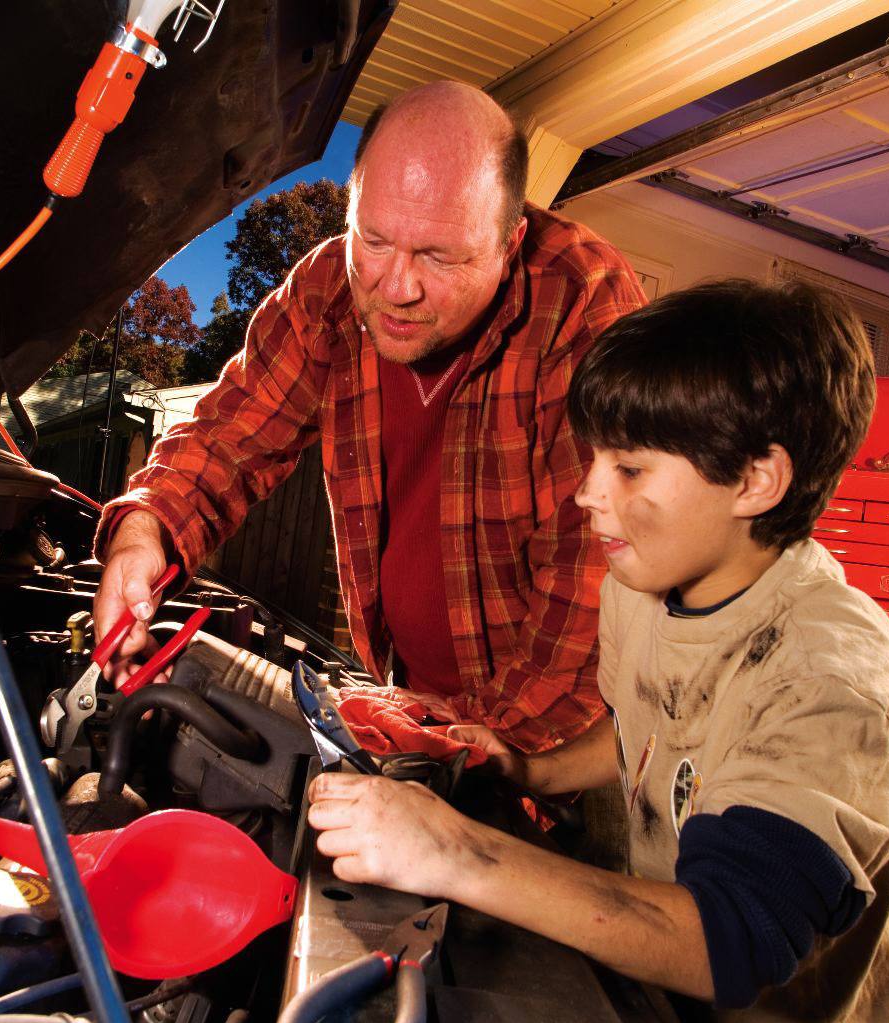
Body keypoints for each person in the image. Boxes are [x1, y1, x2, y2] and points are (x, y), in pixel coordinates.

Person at [307, 279, 889, 1023]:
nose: (586, 494)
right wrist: (530, 771)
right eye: (594, 458)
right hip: (669, 1016)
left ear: (755, 480)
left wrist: (458, 851)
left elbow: (733, 936)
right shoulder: (647, 589)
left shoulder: (826, 674)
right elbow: (649, 722)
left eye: (630, 468)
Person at [93, 81, 645, 752]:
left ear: (510, 241)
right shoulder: (329, 288)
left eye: (439, 256)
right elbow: (226, 435)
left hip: (564, 751)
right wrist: (143, 529)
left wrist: (448, 761)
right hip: (406, 696)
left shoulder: (585, 308)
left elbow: (590, 610)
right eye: (374, 240)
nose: (396, 287)